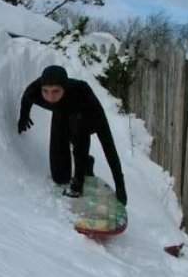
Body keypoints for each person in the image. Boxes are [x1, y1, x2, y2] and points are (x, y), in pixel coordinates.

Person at [18, 65, 127, 204]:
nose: (50, 97)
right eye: (46, 91)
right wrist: (24, 116)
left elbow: (107, 145)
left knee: (79, 142)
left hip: (88, 118)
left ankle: (85, 166)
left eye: (55, 91)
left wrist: (120, 185)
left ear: (64, 88)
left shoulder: (82, 95)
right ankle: (83, 166)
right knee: (60, 178)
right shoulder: (36, 89)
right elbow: (27, 98)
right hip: (61, 114)